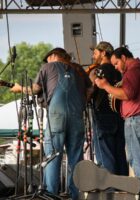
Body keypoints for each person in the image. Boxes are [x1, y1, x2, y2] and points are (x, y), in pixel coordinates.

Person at [11, 47, 92, 200]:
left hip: (57, 117)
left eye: (48, 58)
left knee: (53, 156)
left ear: (54, 56)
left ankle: (51, 196)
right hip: (77, 117)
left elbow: (35, 89)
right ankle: (76, 196)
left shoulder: (48, 67)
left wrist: (19, 88)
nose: (47, 61)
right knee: (76, 158)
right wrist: (81, 103)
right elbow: (91, 88)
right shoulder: (79, 70)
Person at [95, 47, 140, 189]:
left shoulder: (132, 71)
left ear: (124, 58)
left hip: (137, 120)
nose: (116, 67)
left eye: (116, 63)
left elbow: (126, 94)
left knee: (137, 159)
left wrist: (105, 86)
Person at [89, 41, 128, 176]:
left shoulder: (99, 71)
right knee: (119, 154)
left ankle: (110, 189)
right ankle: (123, 188)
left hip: (103, 116)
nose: (93, 57)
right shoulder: (119, 71)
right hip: (119, 116)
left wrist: (90, 78)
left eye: (95, 53)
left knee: (105, 154)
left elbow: (91, 92)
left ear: (103, 53)